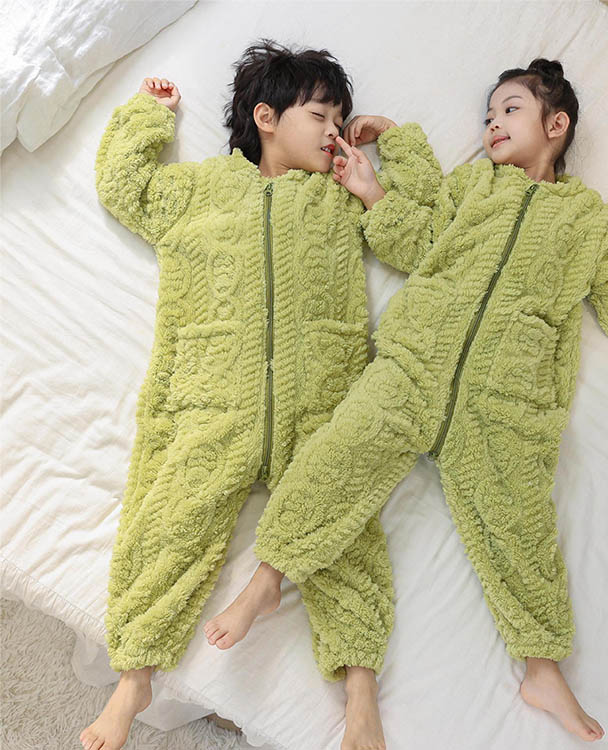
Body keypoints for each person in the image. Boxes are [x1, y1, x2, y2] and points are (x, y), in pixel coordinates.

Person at [239, 58, 608, 744]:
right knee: (340, 454)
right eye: (488, 116)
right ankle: (270, 572)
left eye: (509, 110)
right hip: (417, 360)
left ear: (556, 125)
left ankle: (542, 668)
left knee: (520, 527)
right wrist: (377, 183)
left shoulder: (585, 219)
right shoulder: (473, 186)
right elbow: (420, 240)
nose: (492, 124)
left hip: (506, 395)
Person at [80, 39, 429, 750]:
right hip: (212, 395)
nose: (334, 132)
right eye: (320, 116)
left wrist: (389, 158)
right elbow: (124, 186)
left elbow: (422, 242)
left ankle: (361, 694)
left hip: (323, 401)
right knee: (169, 519)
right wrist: (147, 115)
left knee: (346, 536)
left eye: (341, 120)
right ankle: (134, 677)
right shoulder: (200, 191)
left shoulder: (340, 199)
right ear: (266, 118)